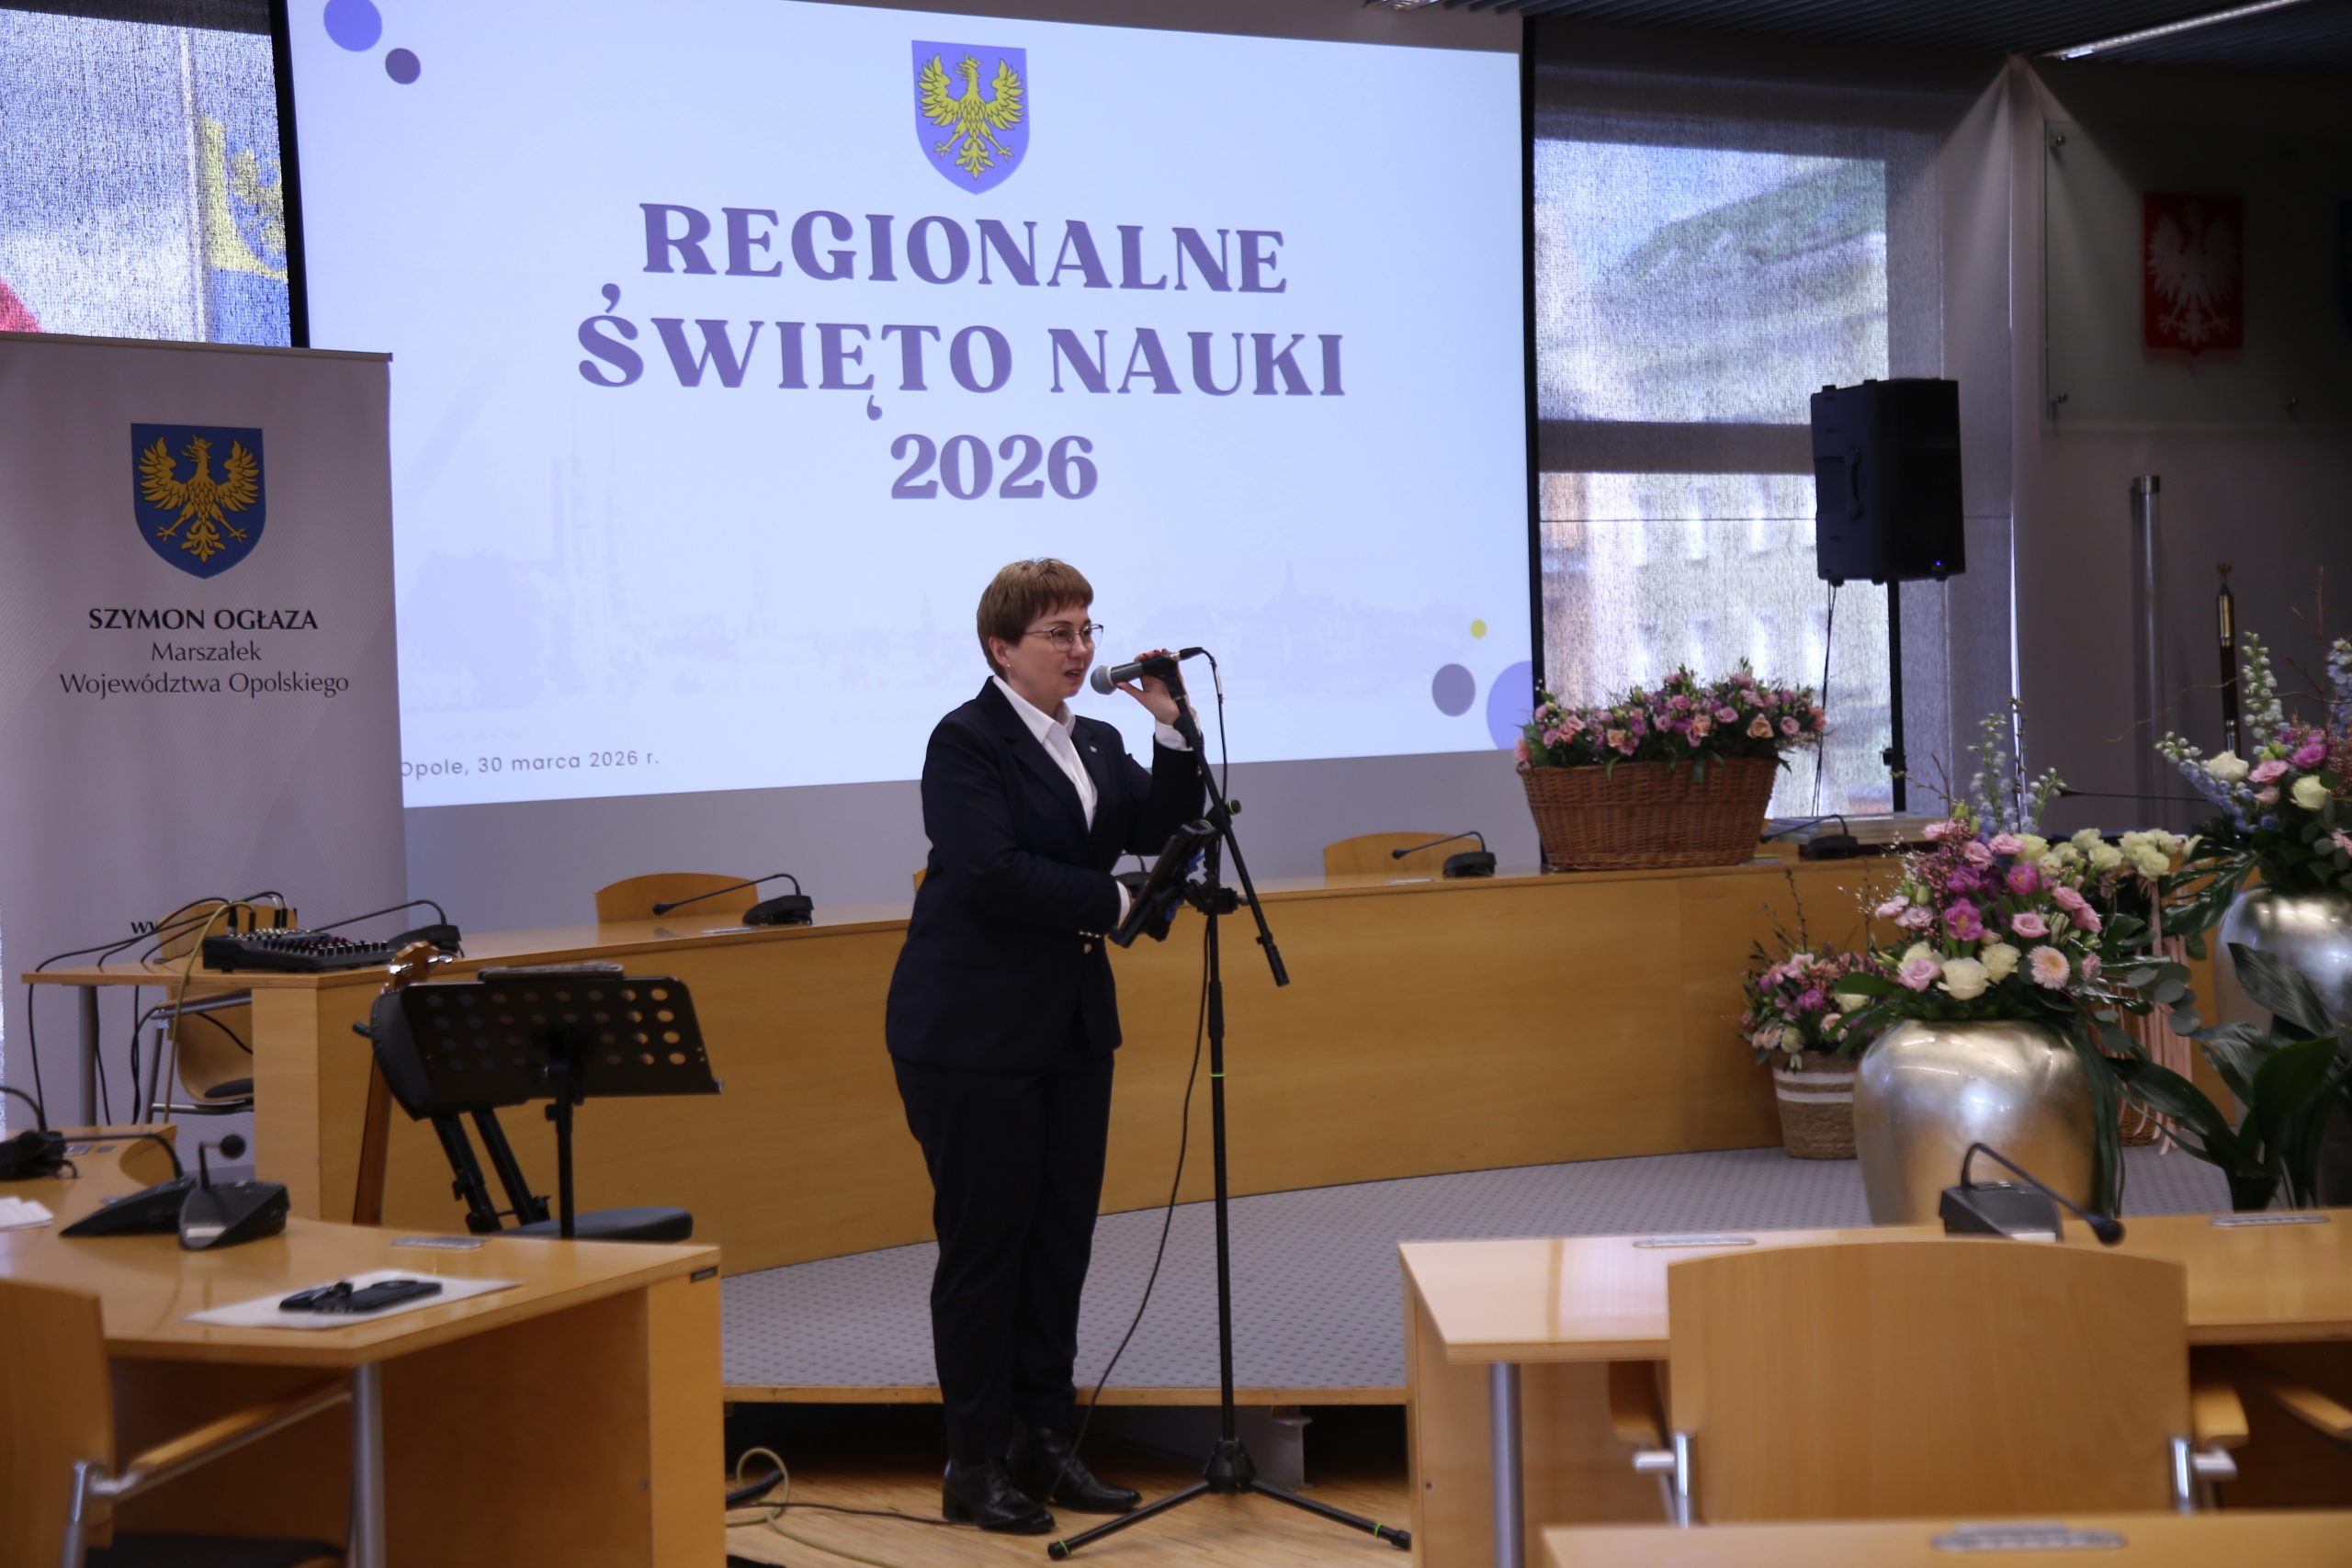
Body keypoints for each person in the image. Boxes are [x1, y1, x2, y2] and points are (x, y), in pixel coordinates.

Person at [886, 558, 1204, 1534]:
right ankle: (974, 1460)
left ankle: (1043, 1438)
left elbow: (1161, 820)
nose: (1081, 648)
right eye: (1058, 632)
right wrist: (1113, 898)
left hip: (1067, 1026)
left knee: (1059, 1241)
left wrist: (1171, 727)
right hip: (969, 1033)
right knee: (988, 1247)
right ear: (1001, 647)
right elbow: (991, 871)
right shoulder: (965, 740)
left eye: (1087, 628)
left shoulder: (1096, 739)